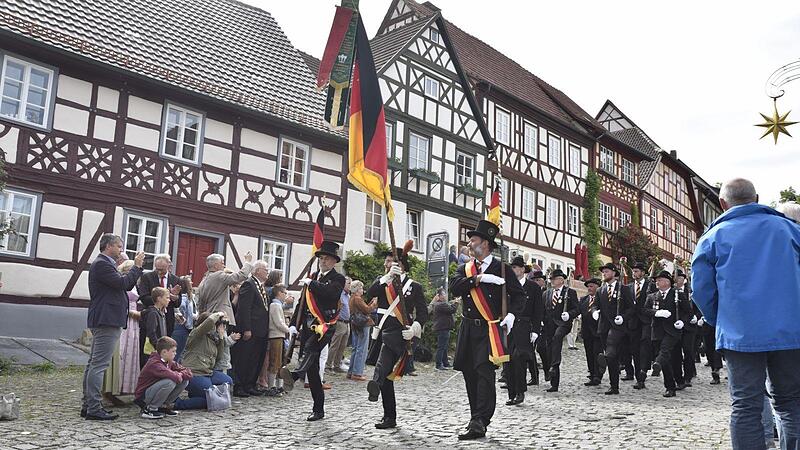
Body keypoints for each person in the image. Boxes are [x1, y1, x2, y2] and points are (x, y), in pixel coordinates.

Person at [691, 178, 800, 450]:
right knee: (790, 402)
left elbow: (702, 290)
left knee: (746, 406)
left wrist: (722, 321)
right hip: (790, 332)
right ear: (757, 197)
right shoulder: (789, 230)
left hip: (740, 335)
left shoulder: (713, 237)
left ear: (722, 203)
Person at [449, 220, 524, 440]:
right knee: (469, 372)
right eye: (470, 240)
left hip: (488, 330)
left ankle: (481, 420)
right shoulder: (466, 268)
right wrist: (478, 279)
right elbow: (454, 287)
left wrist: (511, 315)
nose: (470, 244)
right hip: (468, 328)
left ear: (486, 244)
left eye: (474, 240)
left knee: (484, 373)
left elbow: (519, 296)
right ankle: (475, 416)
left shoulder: (502, 268)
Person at [365, 242, 429, 430]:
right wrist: (386, 277)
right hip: (382, 331)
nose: (388, 264)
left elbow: (423, 313)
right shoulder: (383, 281)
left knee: (383, 364)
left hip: (400, 334)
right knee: (387, 378)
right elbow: (370, 293)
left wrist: (415, 328)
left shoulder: (413, 286)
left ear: (402, 265)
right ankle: (389, 416)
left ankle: (374, 383)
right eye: (387, 262)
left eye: (392, 262)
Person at [279, 240, 345, 422]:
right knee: (314, 371)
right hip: (308, 324)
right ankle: (318, 409)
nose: (323, 261)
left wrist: (312, 284)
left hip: (325, 325)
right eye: (321, 258)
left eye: (326, 259)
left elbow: (331, 294)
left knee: (310, 349)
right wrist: (294, 323)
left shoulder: (337, 278)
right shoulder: (314, 276)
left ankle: (295, 374)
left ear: (334, 261)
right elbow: (302, 303)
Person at [82, 234, 144, 420]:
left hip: (106, 318)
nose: (121, 250)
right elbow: (123, 284)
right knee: (98, 365)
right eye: (119, 246)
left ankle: (89, 405)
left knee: (94, 363)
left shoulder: (105, 264)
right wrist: (137, 266)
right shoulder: (102, 263)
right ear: (109, 246)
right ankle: (93, 408)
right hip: (106, 319)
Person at [642, 270, 691, 398]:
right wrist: (656, 313)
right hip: (657, 331)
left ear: (668, 282)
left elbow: (688, 311)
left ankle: (657, 363)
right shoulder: (652, 296)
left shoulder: (677, 295)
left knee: (664, 352)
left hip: (672, 331)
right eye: (656, 280)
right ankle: (671, 386)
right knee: (669, 360)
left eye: (660, 280)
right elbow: (645, 310)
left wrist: (682, 321)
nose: (657, 282)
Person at [174, 311, 235, 410]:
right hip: (194, 373)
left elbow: (219, 357)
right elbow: (209, 322)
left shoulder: (212, 339)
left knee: (227, 381)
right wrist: (219, 314)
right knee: (211, 399)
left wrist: (221, 337)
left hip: (207, 372)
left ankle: (196, 394)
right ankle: (177, 404)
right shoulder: (196, 334)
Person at [504, 256, 543, 406]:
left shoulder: (533, 287)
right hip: (508, 327)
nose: (513, 271)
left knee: (519, 358)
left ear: (522, 269)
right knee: (508, 360)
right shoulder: (506, 286)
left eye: (515, 268)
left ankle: (520, 392)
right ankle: (511, 393)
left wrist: (535, 330)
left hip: (524, 326)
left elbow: (538, 310)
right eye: (511, 268)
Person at [231, 260, 270, 398]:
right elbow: (244, 308)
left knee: (256, 358)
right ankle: (240, 386)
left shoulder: (260, 286)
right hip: (251, 329)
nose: (267, 272)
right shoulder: (249, 284)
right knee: (244, 358)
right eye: (265, 269)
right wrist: (247, 328)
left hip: (261, 330)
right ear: (257, 270)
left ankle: (250, 384)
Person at [595, 263, 634, 395]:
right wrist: (595, 312)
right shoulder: (600, 290)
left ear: (613, 273)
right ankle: (614, 386)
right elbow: (596, 305)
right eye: (603, 272)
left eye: (606, 271)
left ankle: (605, 358)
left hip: (618, 327)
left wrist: (623, 317)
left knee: (611, 348)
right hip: (603, 327)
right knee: (612, 357)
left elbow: (631, 308)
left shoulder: (624, 289)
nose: (604, 274)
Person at [134, 336, 191, 419]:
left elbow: (188, 372)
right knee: (170, 382)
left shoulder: (169, 361)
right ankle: (150, 409)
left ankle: (162, 406)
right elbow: (176, 377)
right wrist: (179, 374)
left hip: (153, 391)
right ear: (164, 352)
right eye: (173, 351)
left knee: (185, 381)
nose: (175, 353)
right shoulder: (155, 363)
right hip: (143, 397)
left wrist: (180, 374)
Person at [541, 268, 579, 393]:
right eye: (550, 279)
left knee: (557, 338)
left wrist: (569, 314)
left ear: (561, 280)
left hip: (563, 324)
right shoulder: (547, 293)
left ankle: (554, 365)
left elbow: (577, 309)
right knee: (548, 349)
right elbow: (543, 309)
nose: (551, 281)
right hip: (549, 325)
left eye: (554, 279)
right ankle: (553, 379)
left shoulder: (570, 292)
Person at [195, 252, 254, 326]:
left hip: (208, 317)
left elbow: (200, 304)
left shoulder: (203, 280)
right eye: (222, 263)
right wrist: (247, 262)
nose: (224, 266)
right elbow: (240, 276)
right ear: (216, 266)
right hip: (220, 316)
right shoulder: (219, 276)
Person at [137, 254, 182, 341]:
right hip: (151, 318)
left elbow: (178, 303)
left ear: (169, 266)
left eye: (162, 269)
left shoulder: (176, 279)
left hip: (168, 319)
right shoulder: (147, 277)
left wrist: (174, 297)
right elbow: (144, 298)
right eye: (157, 269)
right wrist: (163, 297)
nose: (159, 272)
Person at [628, 262, 656, 390]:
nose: (635, 273)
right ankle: (637, 374)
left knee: (645, 345)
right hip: (633, 322)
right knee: (634, 349)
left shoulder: (651, 286)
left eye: (637, 271)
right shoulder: (628, 287)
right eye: (633, 271)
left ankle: (643, 374)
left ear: (643, 273)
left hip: (647, 321)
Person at [673, 269, 699, 390]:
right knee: (676, 353)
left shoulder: (691, 291)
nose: (678, 280)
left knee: (688, 351)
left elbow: (698, 305)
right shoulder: (672, 292)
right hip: (676, 326)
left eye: (680, 277)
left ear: (684, 279)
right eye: (676, 277)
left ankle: (688, 376)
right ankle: (679, 378)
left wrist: (697, 317)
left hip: (690, 326)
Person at [348, 280, 376, 381]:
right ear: (357, 289)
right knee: (362, 349)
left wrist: (370, 303)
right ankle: (357, 373)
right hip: (362, 324)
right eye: (361, 288)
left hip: (355, 323)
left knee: (355, 348)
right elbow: (367, 310)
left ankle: (351, 371)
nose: (362, 290)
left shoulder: (352, 298)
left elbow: (363, 308)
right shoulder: (357, 299)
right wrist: (374, 304)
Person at [579, 278, 603, 386]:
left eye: (592, 286)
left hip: (598, 332)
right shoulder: (584, 300)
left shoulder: (602, 299)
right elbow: (578, 311)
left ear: (598, 287)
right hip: (587, 332)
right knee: (589, 354)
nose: (589, 288)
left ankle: (598, 375)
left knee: (597, 353)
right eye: (588, 286)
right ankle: (592, 374)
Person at [141, 287, 170, 368]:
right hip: (152, 351)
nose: (169, 300)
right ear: (159, 299)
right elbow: (151, 332)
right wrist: (159, 348)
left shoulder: (161, 313)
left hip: (159, 350)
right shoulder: (153, 313)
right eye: (167, 297)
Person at [327, 277, 352, 373]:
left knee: (343, 345)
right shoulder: (339, 295)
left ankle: (337, 365)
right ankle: (328, 365)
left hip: (347, 322)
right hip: (340, 322)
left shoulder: (347, 296)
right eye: (348, 283)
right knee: (335, 344)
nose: (350, 285)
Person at [430, 288, 458, 370]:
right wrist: (456, 303)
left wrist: (453, 302)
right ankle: (439, 364)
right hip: (443, 328)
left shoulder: (439, 304)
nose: (445, 296)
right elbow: (452, 310)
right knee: (441, 347)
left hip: (443, 327)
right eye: (443, 294)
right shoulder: (441, 304)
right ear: (439, 296)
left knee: (444, 346)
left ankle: (445, 363)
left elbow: (448, 305)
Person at [172, 275, 197, 362]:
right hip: (181, 328)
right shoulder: (184, 298)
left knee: (179, 353)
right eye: (190, 281)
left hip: (183, 328)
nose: (192, 283)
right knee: (177, 354)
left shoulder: (188, 297)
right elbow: (186, 313)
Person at [530, 270, 547, 385]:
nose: (536, 282)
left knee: (541, 348)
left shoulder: (546, 292)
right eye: (535, 280)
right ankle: (534, 376)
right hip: (532, 324)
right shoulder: (530, 291)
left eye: (539, 280)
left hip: (545, 324)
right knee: (530, 351)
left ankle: (547, 370)